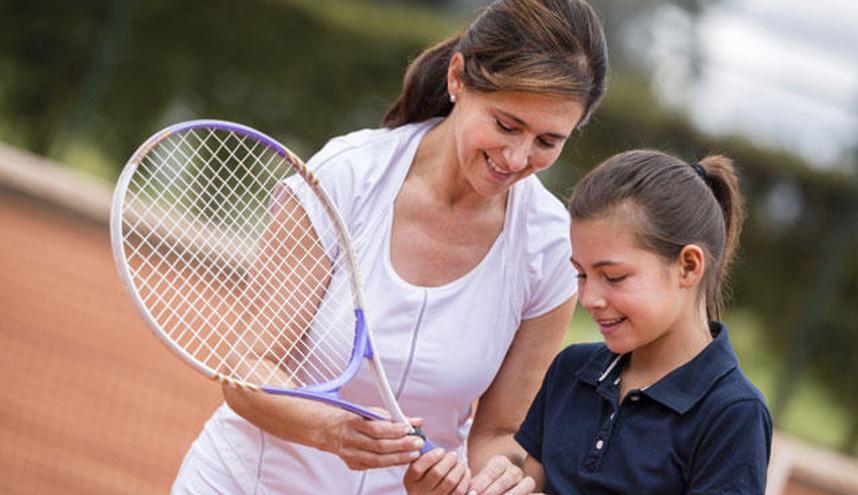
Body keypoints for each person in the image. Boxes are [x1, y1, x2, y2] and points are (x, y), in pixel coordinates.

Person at [171, 0, 608, 493]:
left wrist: (501, 477)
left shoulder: (551, 247)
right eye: (506, 125)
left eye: (548, 141)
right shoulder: (346, 176)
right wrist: (330, 430)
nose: (517, 157)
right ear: (458, 79)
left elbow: (499, 432)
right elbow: (247, 371)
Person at [511, 150, 773, 494]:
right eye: (581, 274)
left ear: (689, 266)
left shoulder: (733, 414)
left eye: (614, 277)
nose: (589, 299)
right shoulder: (570, 370)